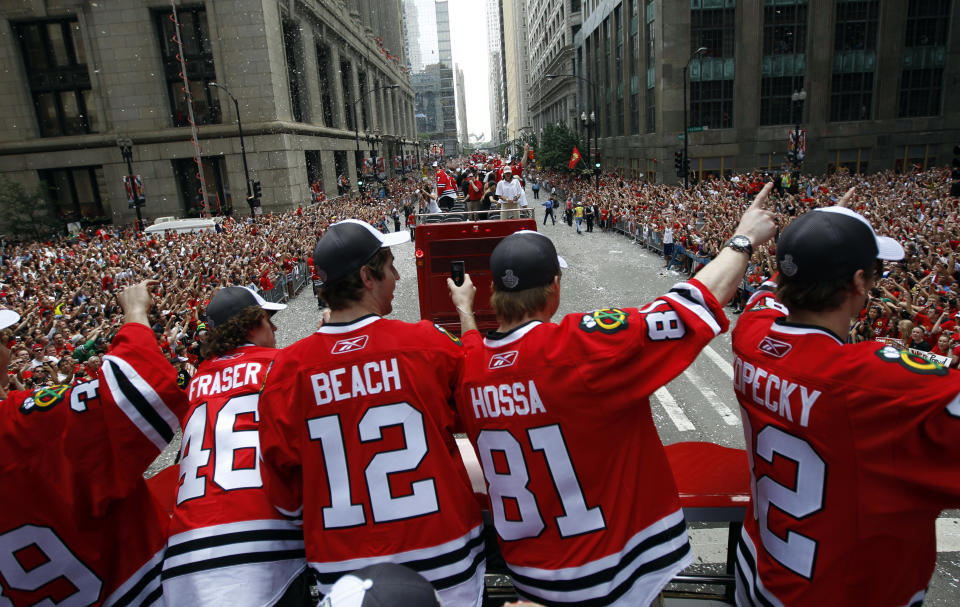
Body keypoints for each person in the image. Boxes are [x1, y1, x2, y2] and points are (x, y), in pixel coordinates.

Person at [447, 185, 777, 606]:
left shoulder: (470, 368)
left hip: (531, 579)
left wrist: (465, 313)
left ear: (493, 293)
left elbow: (476, 347)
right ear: (554, 287)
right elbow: (689, 305)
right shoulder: (576, 347)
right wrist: (742, 239)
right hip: (618, 576)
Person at [732, 192, 960, 607]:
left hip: (759, 573)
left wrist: (811, 234)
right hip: (844, 592)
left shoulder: (750, 335)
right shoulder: (878, 382)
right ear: (859, 282)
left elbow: (764, 297)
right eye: (875, 271)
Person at [258, 219, 486, 605]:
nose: (398, 276)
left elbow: (283, 489)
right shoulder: (425, 342)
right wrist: (466, 313)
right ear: (367, 276)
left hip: (346, 579)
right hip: (445, 559)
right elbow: (480, 398)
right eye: (391, 266)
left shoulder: (287, 370)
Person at [0, 281, 186, 606]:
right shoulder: (20, 425)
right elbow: (144, 391)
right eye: (2, 339)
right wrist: (135, 312)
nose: (7, 346)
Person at [161, 286, 312, 606]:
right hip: (262, 550)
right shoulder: (279, 364)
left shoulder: (199, 382)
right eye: (269, 320)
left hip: (183, 557)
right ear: (254, 324)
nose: (276, 329)